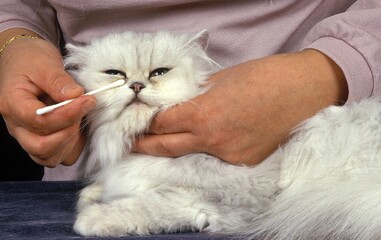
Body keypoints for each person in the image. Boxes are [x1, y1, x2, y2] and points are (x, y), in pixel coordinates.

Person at [0, 1, 380, 180]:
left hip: (325, 131)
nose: (136, 86)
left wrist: (329, 69)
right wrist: (14, 37)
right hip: (79, 172)